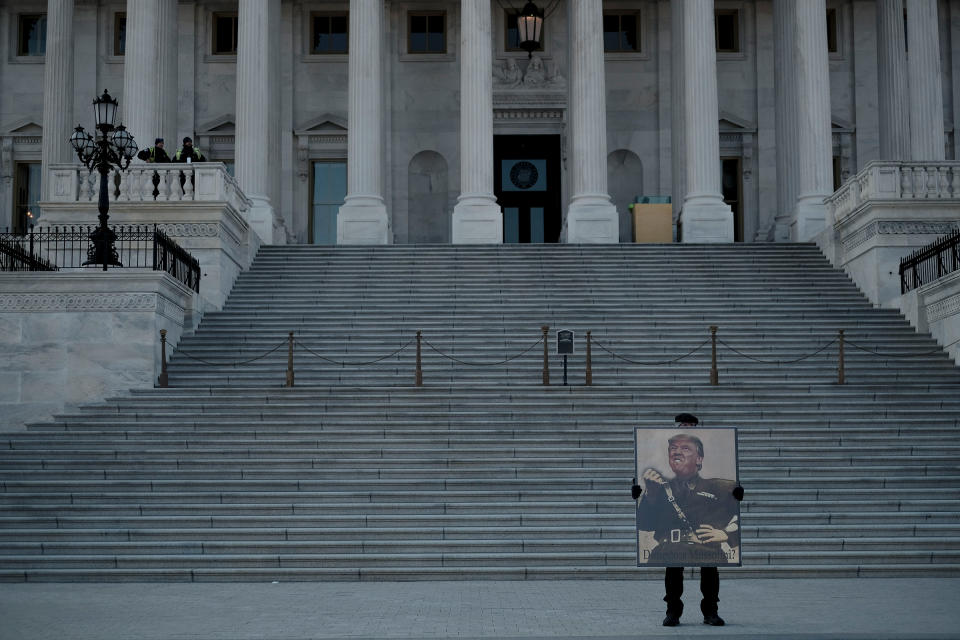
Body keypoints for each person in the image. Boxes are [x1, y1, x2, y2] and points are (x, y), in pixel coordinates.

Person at [631, 413, 744, 627]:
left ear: (699, 458)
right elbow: (645, 524)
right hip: (669, 547)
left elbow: (736, 513)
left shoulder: (720, 487)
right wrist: (647, 494)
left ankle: (711, 611)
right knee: (673, 576)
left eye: (685, 448)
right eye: (673, 448)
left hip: (707, 546)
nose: (677, 451)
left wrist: (726, 533)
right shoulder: (659, 486)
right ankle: (672, 612)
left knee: (709, 575)